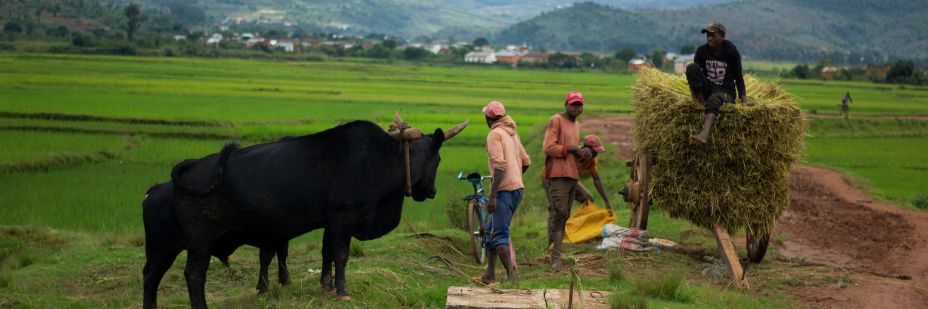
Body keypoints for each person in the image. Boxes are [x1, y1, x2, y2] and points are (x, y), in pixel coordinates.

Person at [480, 100, 531, 284]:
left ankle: (513, 278)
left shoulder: (494, 135)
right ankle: (490, 274)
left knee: (500, 235)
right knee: (492, 231)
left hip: (503, 192)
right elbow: (526, 162)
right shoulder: (511, 134)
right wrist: (515, 177)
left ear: (488, 118)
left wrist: (493, 195)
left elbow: (499, 165)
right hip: (517, 190)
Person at [542, 90, 592, 271]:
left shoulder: (576, 125)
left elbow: (572, 153)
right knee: (559, 214)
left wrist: (582, 152)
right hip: (557, 175)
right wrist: (572, 148)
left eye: (579, 105)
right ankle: (555, 257)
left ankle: (554, 253)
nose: (576, 108)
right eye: (573, 104)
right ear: (566, 104)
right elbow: (548, 147)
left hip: (571, 175)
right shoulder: (556, 120)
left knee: (563, 215)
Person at [686, 22, 749, 144]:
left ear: (722, 36)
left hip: (726, 92)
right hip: (709, 88)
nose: (709, 38)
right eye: (708, 35)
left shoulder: (732, 52)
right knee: (691, 67)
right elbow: (695, 77)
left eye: (713, 35)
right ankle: (701, 103)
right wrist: (694, 97)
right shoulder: (701, 51)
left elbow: (739, 77)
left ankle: (704, 134)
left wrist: (744, 99)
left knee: (715, 99)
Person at [572, 135, 613, 210]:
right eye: (594, 152)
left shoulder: (592, 160)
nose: (595, 155)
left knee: (588, 200)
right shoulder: (573, 154)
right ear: (586, 148)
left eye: (597, 153)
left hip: (572, 181)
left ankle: (584, 220)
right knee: (562, 208)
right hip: (558, 179)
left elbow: (596, 179)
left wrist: (607, 202)